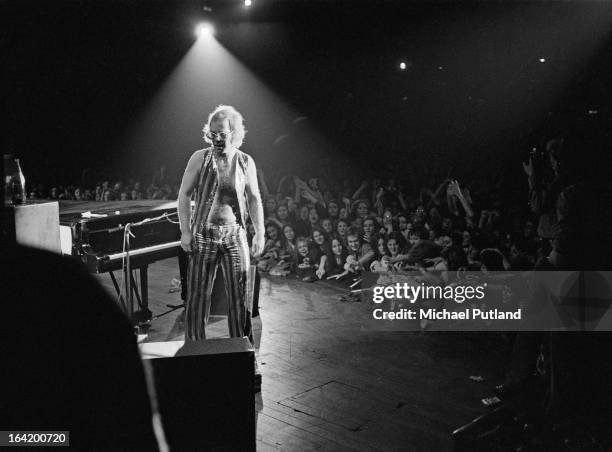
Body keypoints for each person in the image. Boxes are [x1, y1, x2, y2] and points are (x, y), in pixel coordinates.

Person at [177, 105, 264, 350]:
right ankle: (194, 350)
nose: (216, 137)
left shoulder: (246, 161)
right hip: (204, 235)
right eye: (213, 132)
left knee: (240, 297)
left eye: (222, 133)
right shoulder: (199, 157)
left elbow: (255, 198)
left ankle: (243, 352)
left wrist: (260, 232)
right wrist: (185, 230)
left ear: (233, 132)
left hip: (235, 235)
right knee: (197, 297)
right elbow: (183, 194)